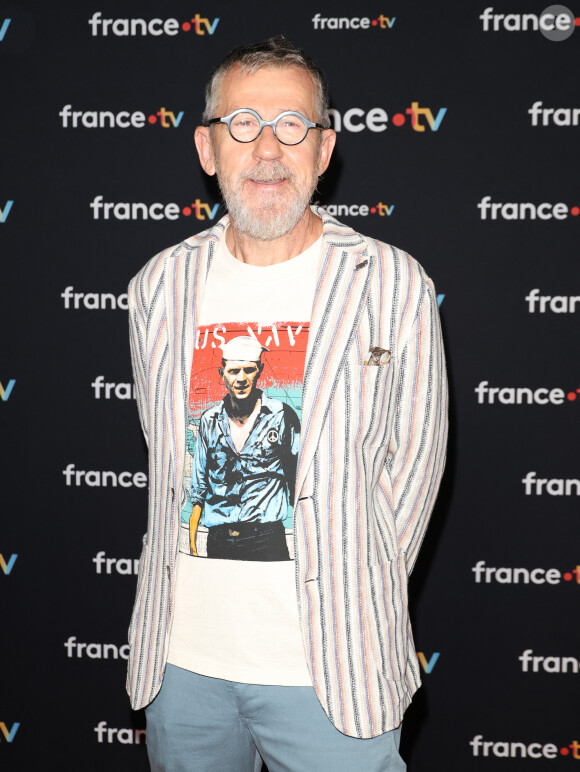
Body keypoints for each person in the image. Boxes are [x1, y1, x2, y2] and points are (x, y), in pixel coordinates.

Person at [127, 35, 448, 772]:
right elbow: (165, 452)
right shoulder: (158, 288)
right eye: (242, 125)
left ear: (325, 146)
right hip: (183, 669)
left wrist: (350, 583)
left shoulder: (390, 282)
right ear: (208, 149)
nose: (267, 148)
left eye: (292, 126)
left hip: (333, 671)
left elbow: (415, 472)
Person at [189, 335, 299, 561]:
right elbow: (199, 487)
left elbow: (297, 483)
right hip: (219, 539)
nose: (241, 378)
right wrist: (191, 545)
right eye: (233, 371)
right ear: (222, 374)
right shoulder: (209, 420)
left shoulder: (282, 417)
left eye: (248, 370)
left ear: (259, 370)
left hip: (268, 538)